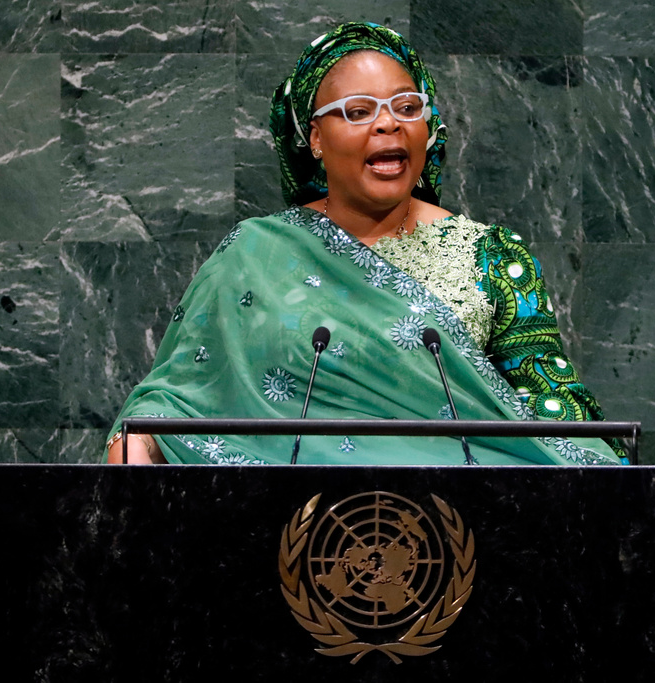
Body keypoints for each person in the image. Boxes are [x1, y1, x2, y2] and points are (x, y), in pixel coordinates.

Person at [105, 22, 626, 466]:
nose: (387, 122)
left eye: (406, 105)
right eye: (357, 110)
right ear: (314, 138)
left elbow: (563, 417)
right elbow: (174, 399)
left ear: (428, 128)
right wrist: (139, 444)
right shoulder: (253, 254)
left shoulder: (492, 258)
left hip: (462, 534)